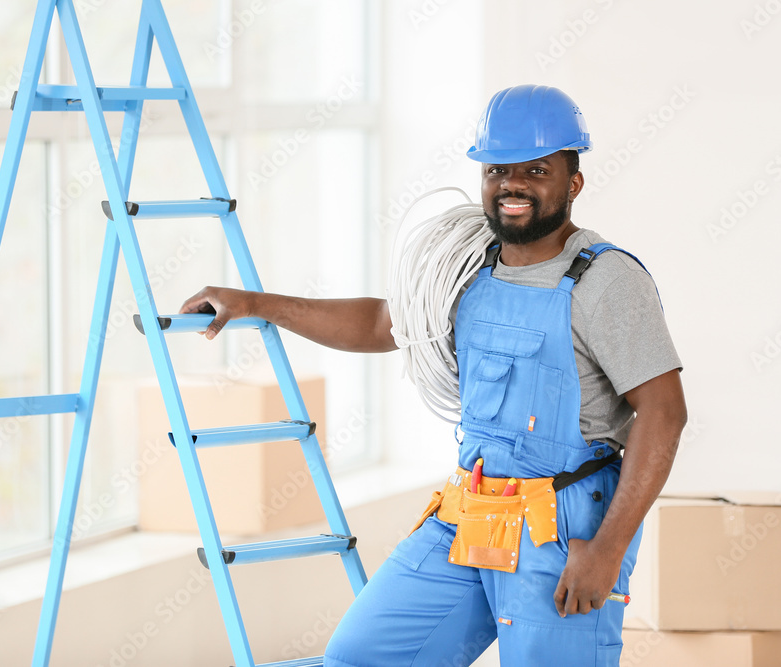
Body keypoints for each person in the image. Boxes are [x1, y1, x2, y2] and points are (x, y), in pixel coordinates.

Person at [180, 84, 687, 666]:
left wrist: (608, 547)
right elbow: (380, 323)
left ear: (572, 182)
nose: (513, 183)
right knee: (361, 654)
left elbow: (665, 412)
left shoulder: (605, 281)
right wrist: (256, 303)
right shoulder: (466, 267)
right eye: (499, 168)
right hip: (471, 512)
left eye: (537, 169)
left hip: (561, 525)